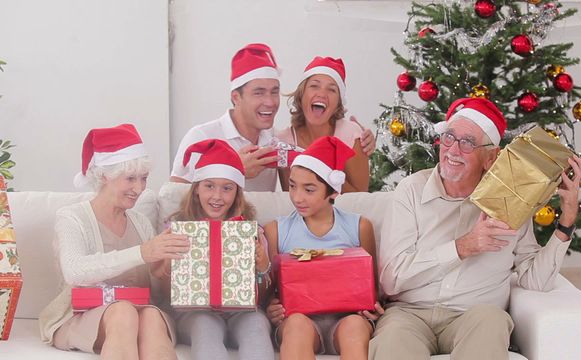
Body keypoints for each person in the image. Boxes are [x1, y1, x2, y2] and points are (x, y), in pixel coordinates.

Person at [369, 97, 581, 360]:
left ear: (491, 158)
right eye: (449, 137)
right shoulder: (412, 190)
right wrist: (463, 246)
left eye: (468, 142)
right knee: (393, 341)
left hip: (472, 316)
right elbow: (391, 279)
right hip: (409, 314)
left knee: (492, 320)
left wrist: (568, 219)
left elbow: (534, 279)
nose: (453, 150)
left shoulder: (512, 200)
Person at [39, 124, 190, 359]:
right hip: (82, 314)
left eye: (144, 178)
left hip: (141, 312)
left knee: (151, 315)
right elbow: (74, 271)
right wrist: (142, 253)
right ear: (103, 176)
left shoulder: (140, 222)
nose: (139, 188)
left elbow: (156, 292)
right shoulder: (72, 217)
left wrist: (164, 268)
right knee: (123, 311)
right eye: (130, 178)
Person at [171, 44, 375, 191]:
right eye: (259, 92)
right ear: (236, 97)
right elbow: (172, 202)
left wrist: (364, 138)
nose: (270, 102)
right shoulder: (201, 137)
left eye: (274, 91)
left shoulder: (274, 141)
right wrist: (235, 171)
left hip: (259, 241)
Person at [264, 136, 384, 360]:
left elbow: (373, 286)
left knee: (354, 327)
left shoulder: (359, 227)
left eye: (309, 190)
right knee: (297, 325)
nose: (297, 197)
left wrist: (373, 305)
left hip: (347, 320)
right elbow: (269, 290)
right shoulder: (276, 230)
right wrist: (271, 307)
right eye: (292, 186)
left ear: (333, 192)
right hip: (300, 322)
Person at [169, 138, 274, 360]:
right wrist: (168, 263)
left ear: (237, 193)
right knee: (205, 327)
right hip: (195, 312)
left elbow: (263, 297)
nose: (217, 197)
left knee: (256, 326)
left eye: (227, 189)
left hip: (242, 311)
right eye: (209, 186)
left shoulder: (252, 231)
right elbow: (161, 286)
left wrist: (263, 265)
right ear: (196, 189)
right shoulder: (176, 229)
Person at [276, 56, 369, 193]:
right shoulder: (285, 142)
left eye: (331, 90)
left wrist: (321, 169)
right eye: (314, 86)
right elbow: (292, 198)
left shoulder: (350, 135)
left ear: (338, 103)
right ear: (301, 95)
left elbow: (360, 197)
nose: (322, 94)